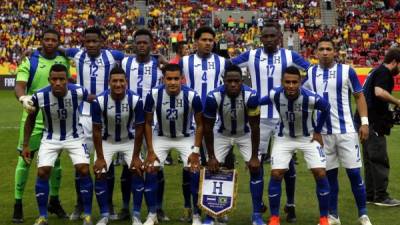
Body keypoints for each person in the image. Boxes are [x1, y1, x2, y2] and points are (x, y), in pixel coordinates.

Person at [231, 21, 310, 222]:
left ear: (279, 38)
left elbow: (311, 72)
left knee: (288, 164)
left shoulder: (290, 56)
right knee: (255, 163)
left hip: (285, 117)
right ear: (261, 38)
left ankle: (290, 204)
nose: (268, 40)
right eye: (264, 36)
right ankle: (257, 209)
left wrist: (301, 93)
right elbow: (228, 66)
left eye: (272, 36)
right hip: (259, 118)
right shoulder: (250, 55)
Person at [303, 37, 373, 225]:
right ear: (315, 53)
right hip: (322, 135)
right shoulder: (310, 73)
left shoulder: (347, 71)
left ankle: (363, 214)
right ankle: (333, 216)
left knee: (354, 174)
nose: (325, 52)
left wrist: (364, 122)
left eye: (328, 49)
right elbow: (302, 99)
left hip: (346, 132)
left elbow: (359, 97)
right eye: (321, 49)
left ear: (335, 52)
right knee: (329, 176)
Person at [65, 26, 125, 221]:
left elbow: (133, 56)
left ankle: (109, 205)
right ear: (83, 41)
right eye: (87, 41)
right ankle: (80, 204)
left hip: (106, 118)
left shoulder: (113, 55)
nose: (91, 44)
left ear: (102, 41)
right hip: (82, 118)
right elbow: (57, 50)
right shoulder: (76, 54)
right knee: (80, 164)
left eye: (94, 41)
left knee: (107, 164)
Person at [21, 64, 93, 225]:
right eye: (54, 79)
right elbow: (30, 119)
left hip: (75, 136)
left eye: (62, 79)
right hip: (50, 137)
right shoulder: (40, 96)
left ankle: (87, 214)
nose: (58, 83)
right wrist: (25, 144)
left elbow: (95, 101)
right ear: (49, 80)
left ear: (67, 79)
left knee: (83, 169)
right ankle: (42, 217)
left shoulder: (79, 91)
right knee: (42, 172)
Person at [260, 66, 331, 225]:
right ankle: (274, 218)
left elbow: (326, 107)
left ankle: (324, 218)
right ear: (282, 82)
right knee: (277, 173)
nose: (291, 85)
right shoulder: (275, 94)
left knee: (320, 173)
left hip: (308, 137)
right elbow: (257, 102)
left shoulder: (310, 97)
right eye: (287, 82)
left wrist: (318, 130)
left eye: (294, 82)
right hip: (284, 137)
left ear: (300, 82)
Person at [13, 28, 69, 223]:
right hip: (32, 120)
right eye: (47, 39)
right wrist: (23, 98)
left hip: (55, 120)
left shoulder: (64, 60)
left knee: (57, 163)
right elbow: (19, 85)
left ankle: (53, 200)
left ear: (59, 42)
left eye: (54, 40)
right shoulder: (30, 61)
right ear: (42, 40)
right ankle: (18, 204)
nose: (50, 43)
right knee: (25, 160)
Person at [136, 63, 203, 225]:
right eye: (169, 79)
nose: (172, 82)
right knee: (151, 168)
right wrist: (150, 150)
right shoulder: (153, 94)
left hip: (185, 137)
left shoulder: (193, 95)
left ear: (182, 79)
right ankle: (152, 214)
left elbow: (200, 124)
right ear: (163, 79)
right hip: (161, 137)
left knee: (194, 170)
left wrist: (196, 151)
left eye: (176, 78)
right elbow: (147, 123)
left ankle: (196, 215)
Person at [203, 65, 263, 225]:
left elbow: (255, 127)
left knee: (256, 168)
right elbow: (207, 128)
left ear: (242, 81)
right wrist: (211, 156)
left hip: (245, 134)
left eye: (237, 81)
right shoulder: (213, 96)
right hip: (222, 134)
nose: (233, 84)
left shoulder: (251, 96)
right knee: (211, 169)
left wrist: (254, 156)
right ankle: (211, 215)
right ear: (224, 81)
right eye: (229, 81)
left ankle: (257, 215)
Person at [179, 26, 227, 222]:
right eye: (204, 39)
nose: (208, 43)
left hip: (217, 121)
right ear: (196, 41)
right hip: (192, 122)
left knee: (219, 164)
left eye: (211, 40)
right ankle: (189, 208)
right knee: (190, 166)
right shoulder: (184, 62)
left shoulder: (222, 62)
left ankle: (219, 209)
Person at [121, 28, 168, 222]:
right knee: (128, 165)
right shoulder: (125, 62)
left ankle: (157, 207)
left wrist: (164, 60)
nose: (141, 45)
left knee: (156, 165)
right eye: (138, 42)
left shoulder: (159, 65)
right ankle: (125, 207)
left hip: (152, 121)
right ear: (133, 44)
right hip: (128, 120)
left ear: (151, 45)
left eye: (145, 42)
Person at [91, 66, 145, 225]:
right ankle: (104, 215)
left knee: (137, 170)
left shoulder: (135, 100)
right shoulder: (99, 101)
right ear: (109, 82)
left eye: (121, 81)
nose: (118, 84)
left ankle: (136, 214)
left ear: (126, 82)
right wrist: (100, 157)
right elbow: (96, 131)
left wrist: (136, 156)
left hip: (128, 141)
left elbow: (140, 129)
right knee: (100, 171)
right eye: (114, 81)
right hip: (107, 142)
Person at [358, 48, 400, 207]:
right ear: (395, 62)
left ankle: (370, 194)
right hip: (373, 121)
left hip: (365, 120)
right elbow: (379, 92)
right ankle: (381, 196)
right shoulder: (384, 72)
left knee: (370, 159)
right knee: (379, 158)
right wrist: (397, 102)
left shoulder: (374, 71)